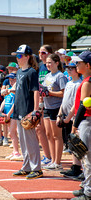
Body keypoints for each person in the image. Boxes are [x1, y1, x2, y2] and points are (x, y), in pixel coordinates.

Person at [11, 44, 43, 179]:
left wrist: (35, 111)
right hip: (19, 109)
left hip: (27, 110)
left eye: (20, 56)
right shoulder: (18, 72)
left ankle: (37, 169)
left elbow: (36, 91)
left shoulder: (31, 72)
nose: (17, 58)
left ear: (27, 57)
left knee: (30, 141)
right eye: (17, 56)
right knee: (22, 141)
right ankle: (26, 166)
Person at [69, 51, 91, 200]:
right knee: (85, 157)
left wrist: (74, 126)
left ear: (88, 65)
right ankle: (86, 186)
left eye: (79, 63)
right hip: (85, 121)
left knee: (87, 158)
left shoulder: (88, 81)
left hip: (86, 121)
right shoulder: (87, 79)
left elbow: (83, 105)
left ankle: (88, 192)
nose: (76, 65)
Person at [42, 53, 68, 170]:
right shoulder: (48, 75)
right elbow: (44, 90)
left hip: (56, 108)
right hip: (47, 107)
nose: (47, 64)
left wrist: (49, 93)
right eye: (46, 62)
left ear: (57, 63)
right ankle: (52, 160)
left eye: (50, 62)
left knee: (57, 136)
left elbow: (64, 94)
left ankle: (57, 163)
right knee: (49, 135)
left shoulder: (60, 76)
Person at [0, 72, 22, 160]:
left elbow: (15, 104)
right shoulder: (9, 90)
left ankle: (17, 152)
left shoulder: (16, 90)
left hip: (13, 114)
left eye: (13, 80)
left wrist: (8, 114)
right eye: (10, 80)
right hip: (7, 114)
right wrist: (0, 111)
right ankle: (15, 151)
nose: (11, 81)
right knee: (11, 133)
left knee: (12, 132)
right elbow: (4, 101)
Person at [37, 44, 53, 165]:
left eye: (43, 52)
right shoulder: (41, 67)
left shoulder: (50, 67)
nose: (40, 55)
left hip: (50, 102)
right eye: (39, 52)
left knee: (50, 132)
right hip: (41, 101)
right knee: (39, 129)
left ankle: (52, 157)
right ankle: (48, 156)